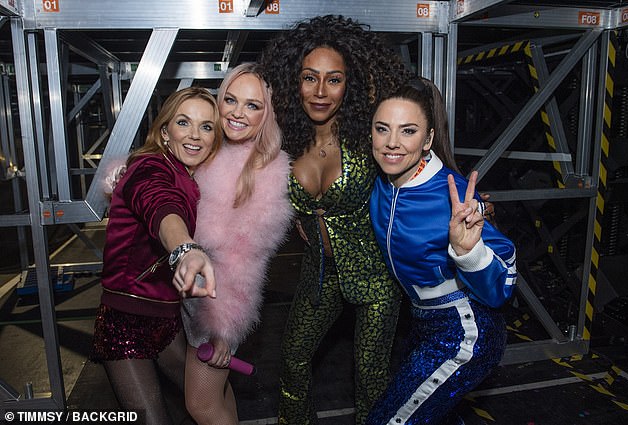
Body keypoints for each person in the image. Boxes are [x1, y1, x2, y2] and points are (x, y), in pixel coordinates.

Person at [260, 15, 413, 425]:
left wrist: (469, 204)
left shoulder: (369, 135)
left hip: (376, 272)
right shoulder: (282, 140)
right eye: (310, 78)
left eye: (334, 79)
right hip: (319, 271)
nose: (321, 91)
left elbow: (419, 166)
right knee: (293, 360)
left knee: (370, 375)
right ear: (295, 81)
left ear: (351, 84)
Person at [367, 77, 517, 425]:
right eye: (382, 129)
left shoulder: (454, 198)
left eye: (408, 131)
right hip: (421, 321)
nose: (391, 143)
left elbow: (504, 283)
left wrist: (469, 252)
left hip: (464, 331)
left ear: (428, 139)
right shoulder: (384, 181)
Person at [90, 86, 222, 425]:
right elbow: (160, 205)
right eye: (184, 123)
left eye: (206, 126)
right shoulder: (148, 168)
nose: (195, 135)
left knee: (208, 394)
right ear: (165, 132)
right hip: (125, 321)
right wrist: (185, 248)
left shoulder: (192, 177)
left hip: (167, 319)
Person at [180, 62, 293, 425]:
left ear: (267, 114)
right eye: (230, 100)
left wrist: (224, 328)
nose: (237, 113)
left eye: (252, 105)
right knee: (218, 394)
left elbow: (245, 261)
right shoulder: (213, 151)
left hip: (217, 306)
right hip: (194, 295)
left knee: (201, 404)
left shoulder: (266, 170)